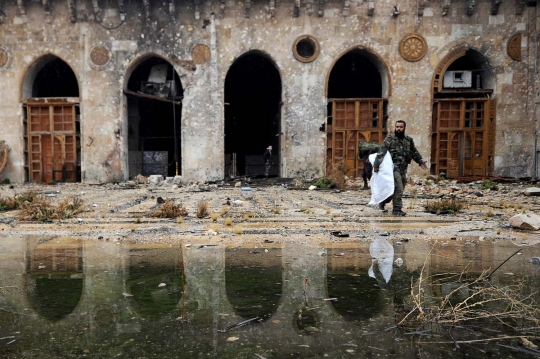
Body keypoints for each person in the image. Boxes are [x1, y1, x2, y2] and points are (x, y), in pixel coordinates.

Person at [373, 120, 428, 216]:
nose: (398, 128)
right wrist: (376, 165)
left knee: (398, 189)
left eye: (400, 127)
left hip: (403, 168)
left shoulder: (408, 140)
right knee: (398, 188)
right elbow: (381, 152)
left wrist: (420, 161)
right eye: (397, 126)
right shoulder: (390, 139)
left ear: (404, 128)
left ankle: (383, 201)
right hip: (393, 168)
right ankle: (397, 209)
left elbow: (414, 152)